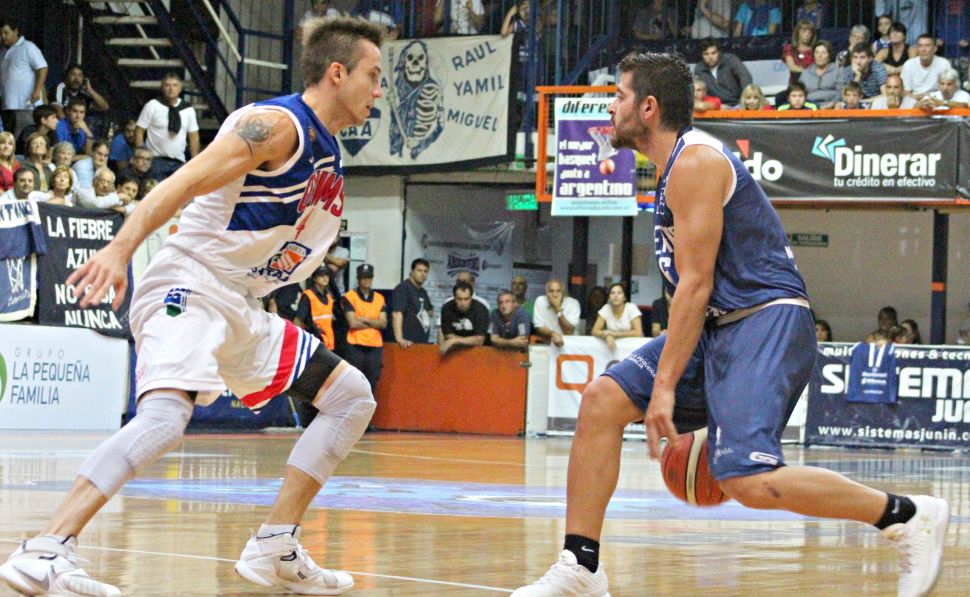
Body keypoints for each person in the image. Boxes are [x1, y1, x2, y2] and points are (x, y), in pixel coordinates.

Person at [514, 50, 950, 597]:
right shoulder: (671, 169)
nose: (610, 106)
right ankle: (581, 566)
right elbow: (693, 292)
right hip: (721, 328)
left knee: (747, 478)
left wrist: (666, 387)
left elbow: (695, 286)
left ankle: (906, 516)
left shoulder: (695, 163)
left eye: (619, 96)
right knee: (603, 400)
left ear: (648, 107)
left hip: (765, 321)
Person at [0, 17, 385, 597]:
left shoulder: (326, 147)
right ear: (337, 73)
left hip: (240, 303)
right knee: (163, 419)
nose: (378, 90)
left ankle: (275, 544)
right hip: (191, 282)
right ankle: (45, 549)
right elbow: (182, 182)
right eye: (373, 76)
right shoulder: (277, 127)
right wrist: (120, 248)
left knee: (350, 397)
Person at [512, 331, 708, 596]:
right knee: (602, 399)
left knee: (753, 483)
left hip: (753, 327)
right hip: (704, 326)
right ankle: (582, 564)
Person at [135, 72, 201, 181]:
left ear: (180, 89)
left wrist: (195, 162)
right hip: (155, 160)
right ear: (162, 88)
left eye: (174, 85)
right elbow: (139, 131)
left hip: (178, 161)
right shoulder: (152, 105)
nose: (171, 88)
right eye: (167, 85)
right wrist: (141, 156)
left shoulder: (188, 109)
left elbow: (194, 137)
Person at [0, 17, 48, 139]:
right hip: (7, 106)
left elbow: (42, 68)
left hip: (25, 105)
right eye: (0, 34)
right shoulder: (2, 51)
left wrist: (37, 90)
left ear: (15, 31)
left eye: (6, 33)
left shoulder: (28, 47)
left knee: (24, 139)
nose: (3, 36)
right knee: (9, 140)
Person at [343, 263, 387, 392]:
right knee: (354, 382)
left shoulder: (379, 298)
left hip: (375, 345)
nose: (367, 280)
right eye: (363, 277)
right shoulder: (349, 297)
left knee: (372, 381)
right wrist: (374, 323)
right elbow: (353, 323)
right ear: (358, 278)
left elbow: (383, 323)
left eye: (369, 277)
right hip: (356, 345)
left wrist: (364, 319)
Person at [693, 40, 753, 106]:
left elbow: (745, 77)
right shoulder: (699, 68)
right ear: (701, 55)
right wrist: (716, 105)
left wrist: (745, 100)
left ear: (719, 52)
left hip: (738, 103)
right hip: (715, 106)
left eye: (713, 53)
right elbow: (699, 92)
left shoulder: (730, 60)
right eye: (706, 54)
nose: (710, 57)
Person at [439, 279, 490, 355]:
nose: (463, 303)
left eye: (466, 299)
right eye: (459, 299)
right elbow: (448, 336)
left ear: (471, 297)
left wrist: (454, 340)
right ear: (454, 297)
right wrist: (470, 340)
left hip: (477, 351)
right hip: (455, 350)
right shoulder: (447, 308)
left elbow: (480, 340)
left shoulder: (481, 310)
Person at [391, 257, 433, 348]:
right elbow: (396, 314)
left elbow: (430, 311)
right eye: (419, 270)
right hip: (406, 345)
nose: (423, 274)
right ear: (412, 271)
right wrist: (400, 339)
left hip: (421, 343)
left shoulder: (423, 292)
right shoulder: (403, 289)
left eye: (425, 271)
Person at [590, 283, 644, 351]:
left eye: (619, 293)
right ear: (609, 297)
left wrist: (615, 335)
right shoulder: (606, 308)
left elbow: (638, 333)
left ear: (624, 297)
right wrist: (607, 336)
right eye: (612, 293)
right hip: (613, 347)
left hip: (634, 347)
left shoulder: (631, 307)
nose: (615, 295)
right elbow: (594, 331)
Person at [295, 267, 337, 350]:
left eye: (327, 275)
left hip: (327, 340)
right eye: (321, 275)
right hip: (313, 339)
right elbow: (298, 319)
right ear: (314, 278)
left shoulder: (328, 297)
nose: (325, 278)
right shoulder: (308, 295)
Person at [533, 278, 581, 347]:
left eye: (558, 291)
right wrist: (552, 334)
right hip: (548, 344)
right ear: (546, 293)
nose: (555, 295)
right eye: (551, 291)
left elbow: (568, 332)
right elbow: (539, 328)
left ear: (563, 292)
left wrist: (557, 309)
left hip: (570, 346)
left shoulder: (573, 303)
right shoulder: (540, 301)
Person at [800, 40, 840, 106]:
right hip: (809, 106)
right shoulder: (806, 73)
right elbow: (799, 92)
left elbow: (841, 92)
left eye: (823, 53)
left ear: (829, 55)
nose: (819, 56)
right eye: (817, 52)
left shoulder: (837, 71)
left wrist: (831, 104)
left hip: (832, 106)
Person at [782, 20, 817, 86]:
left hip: (813, 83)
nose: (807, 35)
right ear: (798, 33)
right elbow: (792, 66)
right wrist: (808, 72)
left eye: (809, 33)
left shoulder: (816, 49)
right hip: (796, 84)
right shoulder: (790, 48)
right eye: (804, 32)